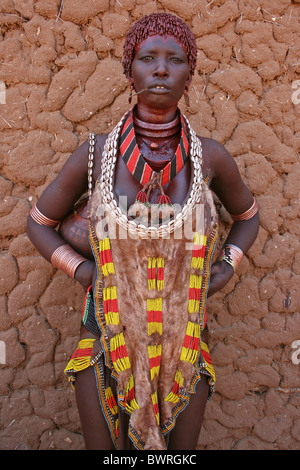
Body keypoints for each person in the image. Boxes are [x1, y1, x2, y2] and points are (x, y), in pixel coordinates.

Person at [27, 13, 259, 450]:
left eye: (175, 60)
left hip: (185, 343)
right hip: (105, 340)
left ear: (189, 73)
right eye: (147, 58)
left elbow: (248, 216)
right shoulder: (96, 156)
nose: (159, 69)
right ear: (129, 70)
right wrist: (84, 272)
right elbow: (39, 223)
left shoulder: (209, 158)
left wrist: (226, 266)